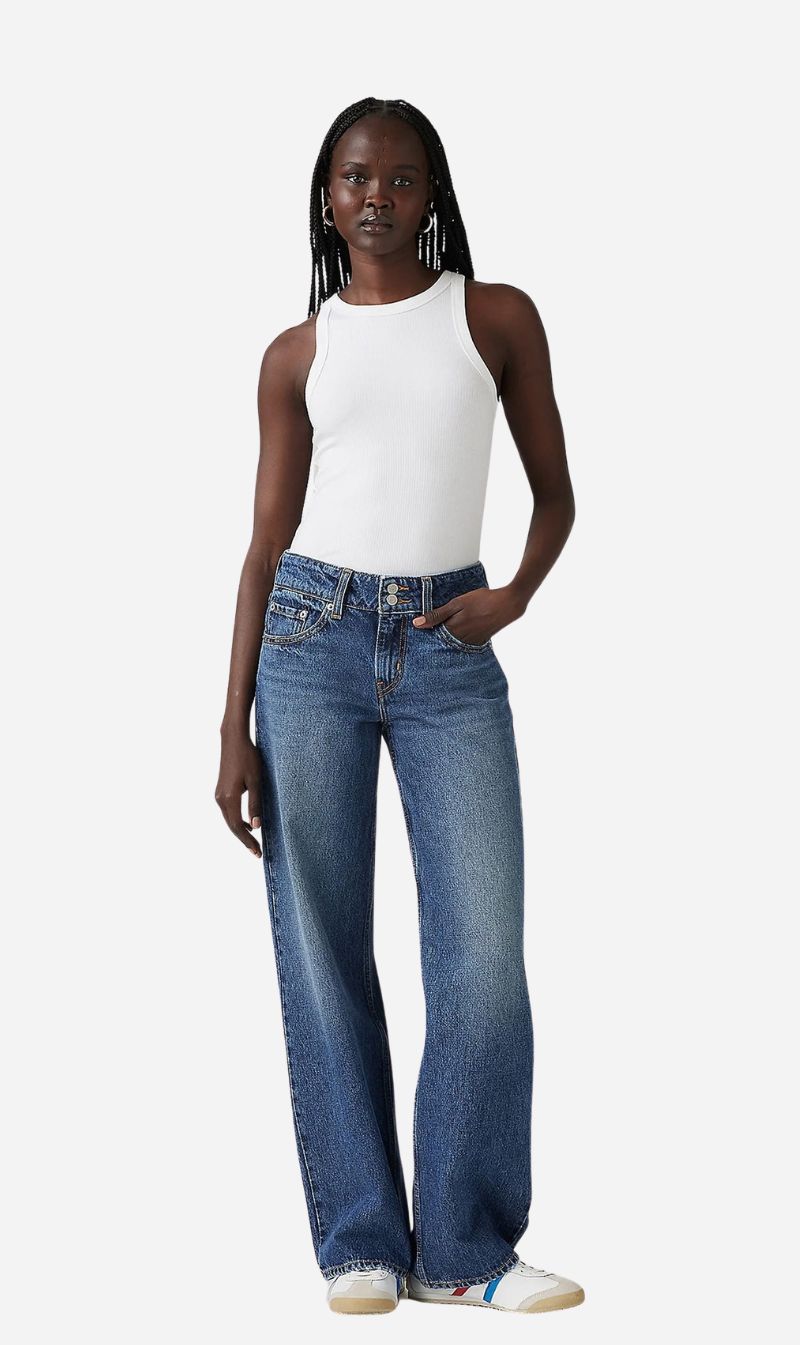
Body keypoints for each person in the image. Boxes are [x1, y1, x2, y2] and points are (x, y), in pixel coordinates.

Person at [215, 96, 583, 1316]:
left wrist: (512, 596)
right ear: (325, 199)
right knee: (321, 947)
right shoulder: (297, 354)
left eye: (400, 178)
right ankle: (361, 1240)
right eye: (352, 177)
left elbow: (555, 495)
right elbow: (264, 545)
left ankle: (464, 1249)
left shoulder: (494, 317)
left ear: (432, 195)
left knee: (480, 953)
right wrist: (231, 725)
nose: (375, 196)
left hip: (447, 647)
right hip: (308, 641)